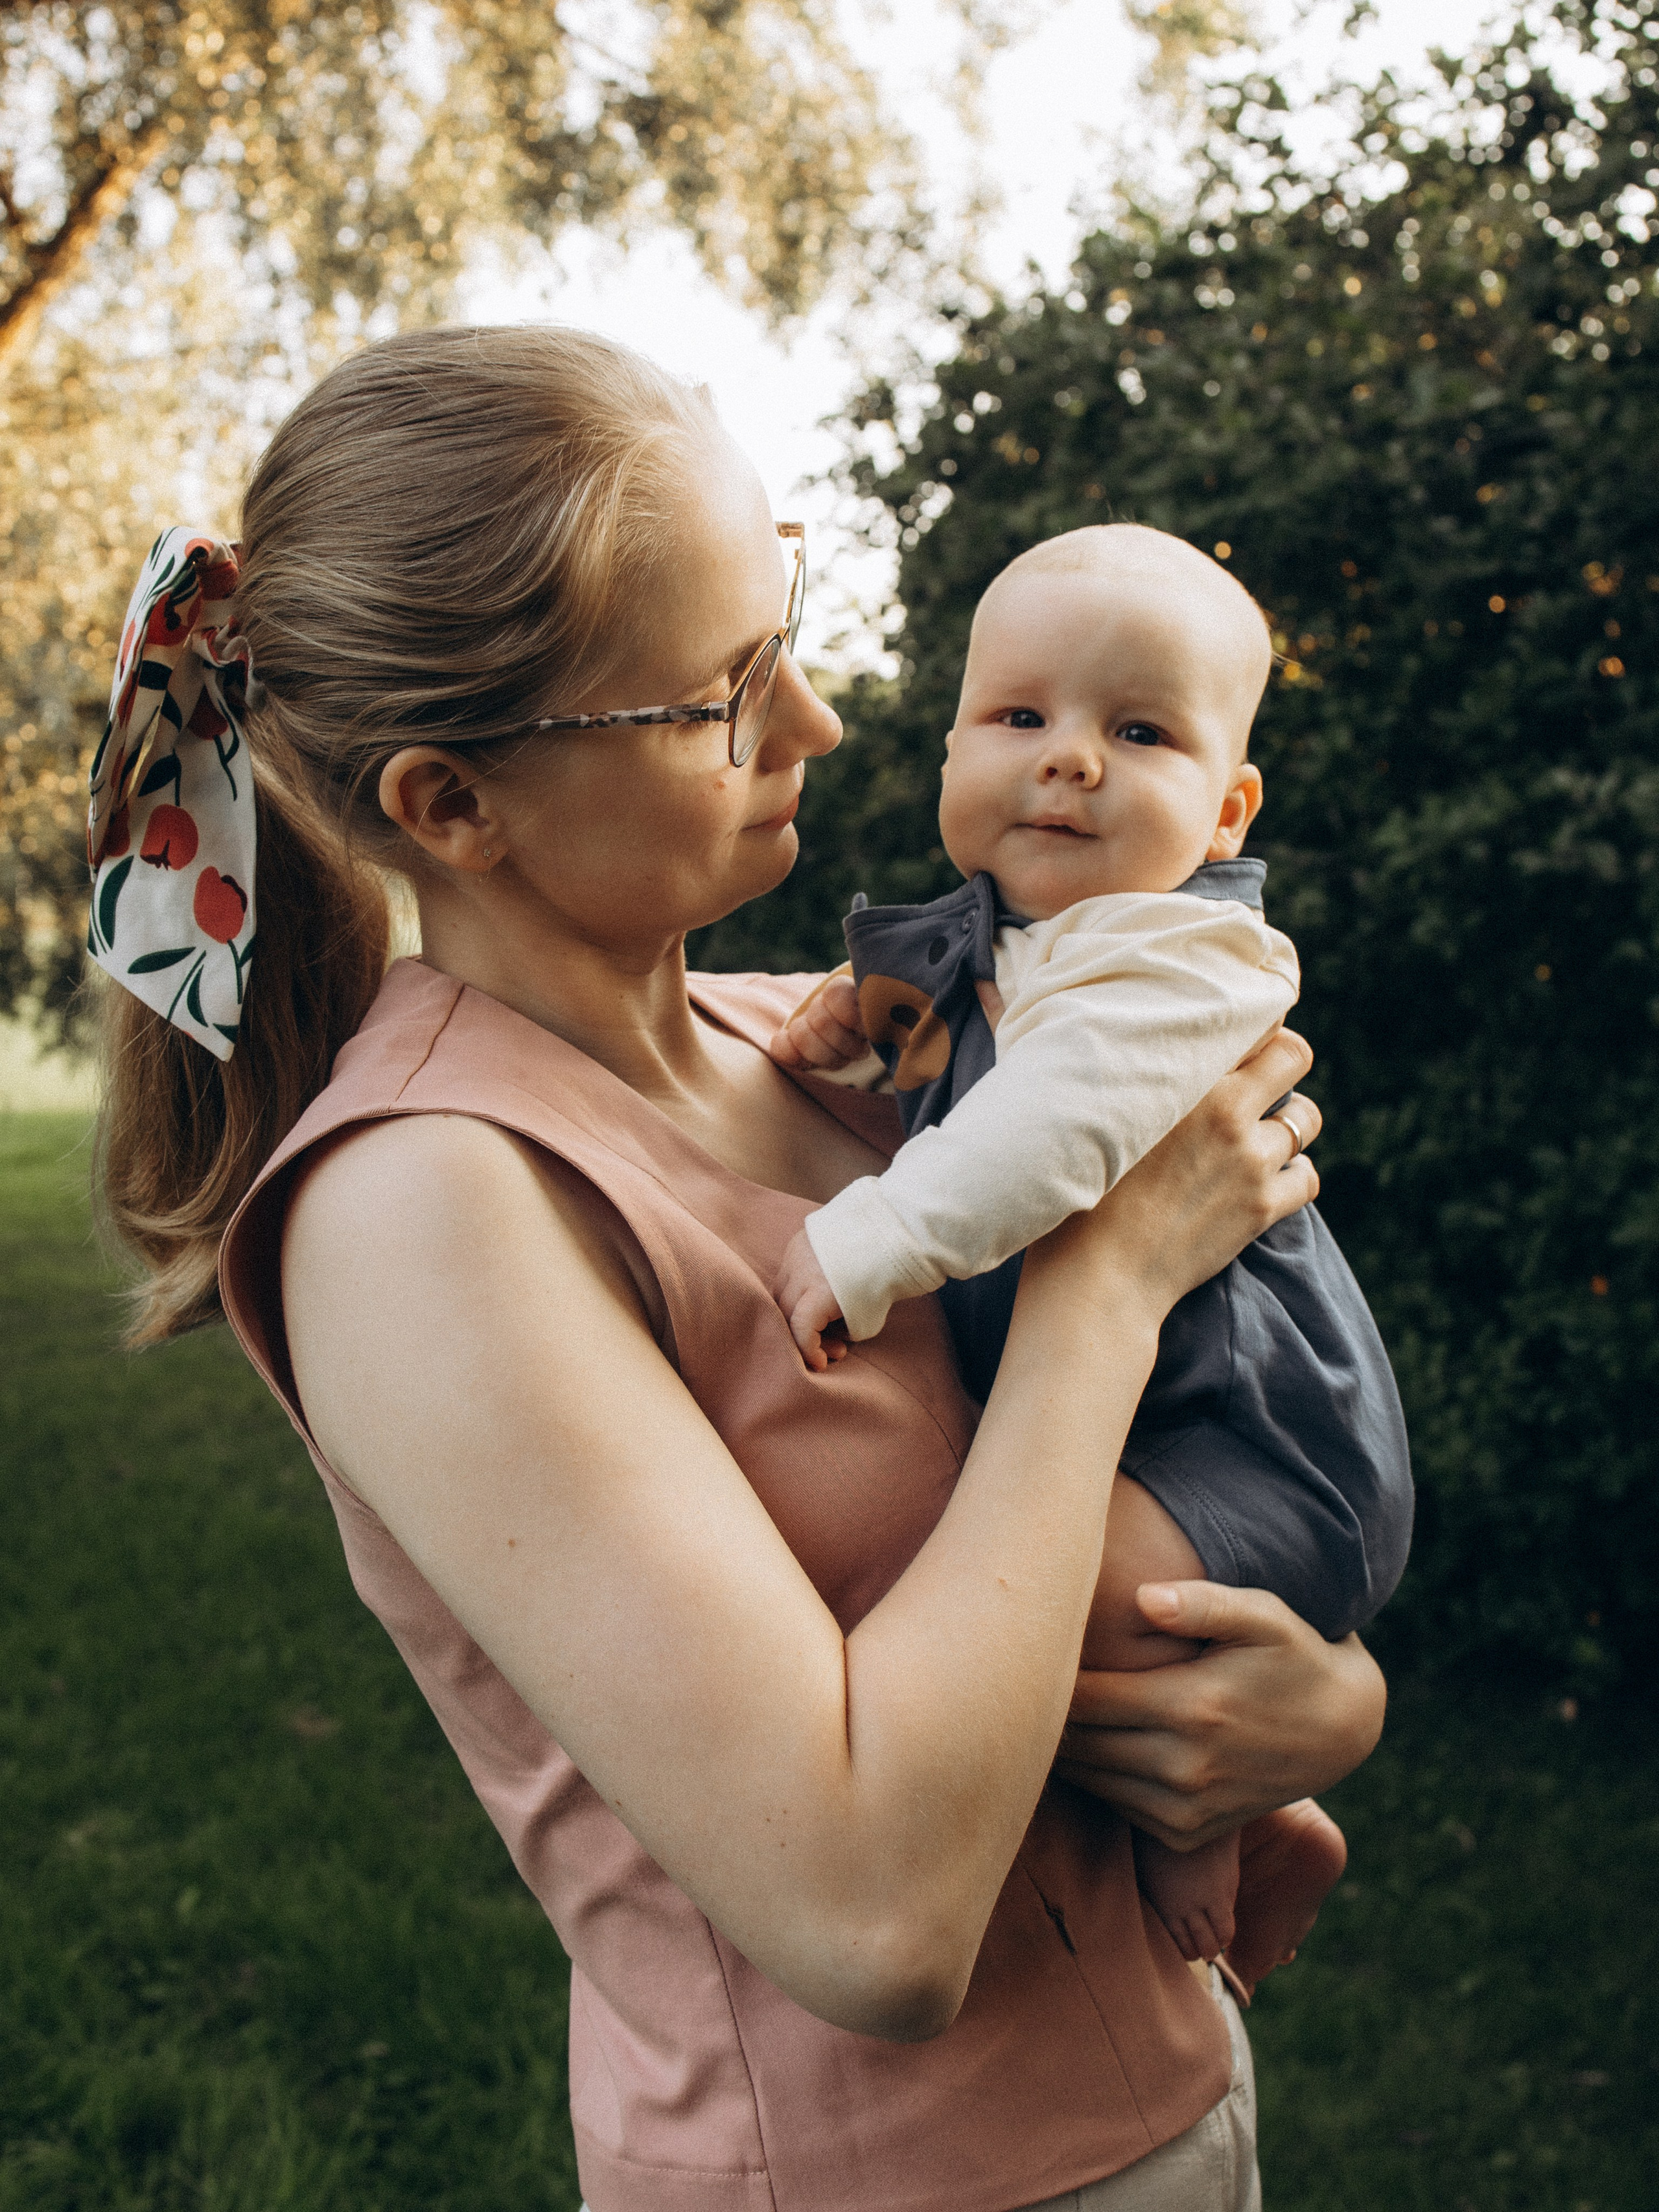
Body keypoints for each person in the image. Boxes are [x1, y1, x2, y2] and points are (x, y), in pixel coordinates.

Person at [89, 326, 1387, 2212]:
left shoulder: (831, 1041)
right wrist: (1105, 1291)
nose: (823, 729)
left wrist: (1318, 1696)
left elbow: (1141, 1499)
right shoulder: (424, 1205)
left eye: (789, 629)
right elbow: (868, 1915)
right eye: (722, 697)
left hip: (1176, 2099)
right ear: (454, 804)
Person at [768, 524, 1412, 1988]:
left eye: (1135, 731)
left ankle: (1234, 1826)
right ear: (947, 758)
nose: (1067, 760)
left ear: (1226, 810)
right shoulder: (983, 940)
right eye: (1019, 718)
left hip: (1245, 1440)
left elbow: (1046, 1127)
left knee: (1044, 1616)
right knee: (1013, 1605)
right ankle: (1262, 1812)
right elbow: (933, 1044)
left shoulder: (1184, 959)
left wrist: (871, 1238)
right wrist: (843, 1021)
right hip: (1142, 1423)